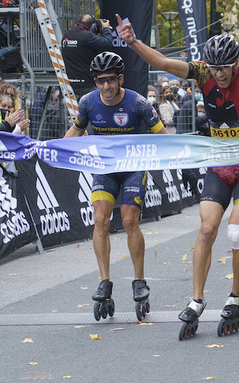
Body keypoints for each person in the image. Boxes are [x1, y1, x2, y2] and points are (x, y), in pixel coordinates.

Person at [116, 15, 239, 339]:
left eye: (224, 68)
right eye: (213, 68)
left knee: (235, 233)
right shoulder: (202, 72)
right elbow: (165, 63)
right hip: (217, 162)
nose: (218, 74)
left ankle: (235, 298)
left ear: (234, 64)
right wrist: (132, 42)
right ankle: (196, 301)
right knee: (207, 229)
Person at [63, 52, 167, 322]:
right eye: (100, 81)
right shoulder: (87, 102)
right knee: (100, 219)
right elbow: (75, 131)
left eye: (110, 80)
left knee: (130, 220)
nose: (105, 87)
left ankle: (139, 280)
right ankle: (105, 281)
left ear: (120, 79)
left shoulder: (139, 103)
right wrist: (56, 149)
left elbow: (163, 137)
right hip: (105, 169)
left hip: (133, 168)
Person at [61, 14, 117, 98]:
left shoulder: (66, 35)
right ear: (93, 26)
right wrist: (106, 29)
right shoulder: (87, 37)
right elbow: (107, 44)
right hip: (87, 83)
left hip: (70, 82)